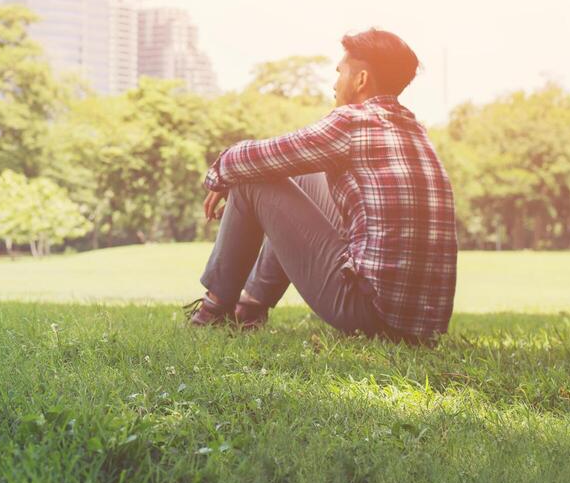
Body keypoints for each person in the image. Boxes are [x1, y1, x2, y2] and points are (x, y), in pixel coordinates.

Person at [186, 29, 457, 344]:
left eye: (340, 71)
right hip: (423, 326)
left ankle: (213, 311)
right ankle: (249, 307)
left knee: (253, 178)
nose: (334, 83)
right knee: (300, 177)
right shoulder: (415, 131)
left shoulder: (352, 122)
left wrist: (221, 172)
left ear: (361, 80)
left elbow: (261, 157)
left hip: (370, 313)